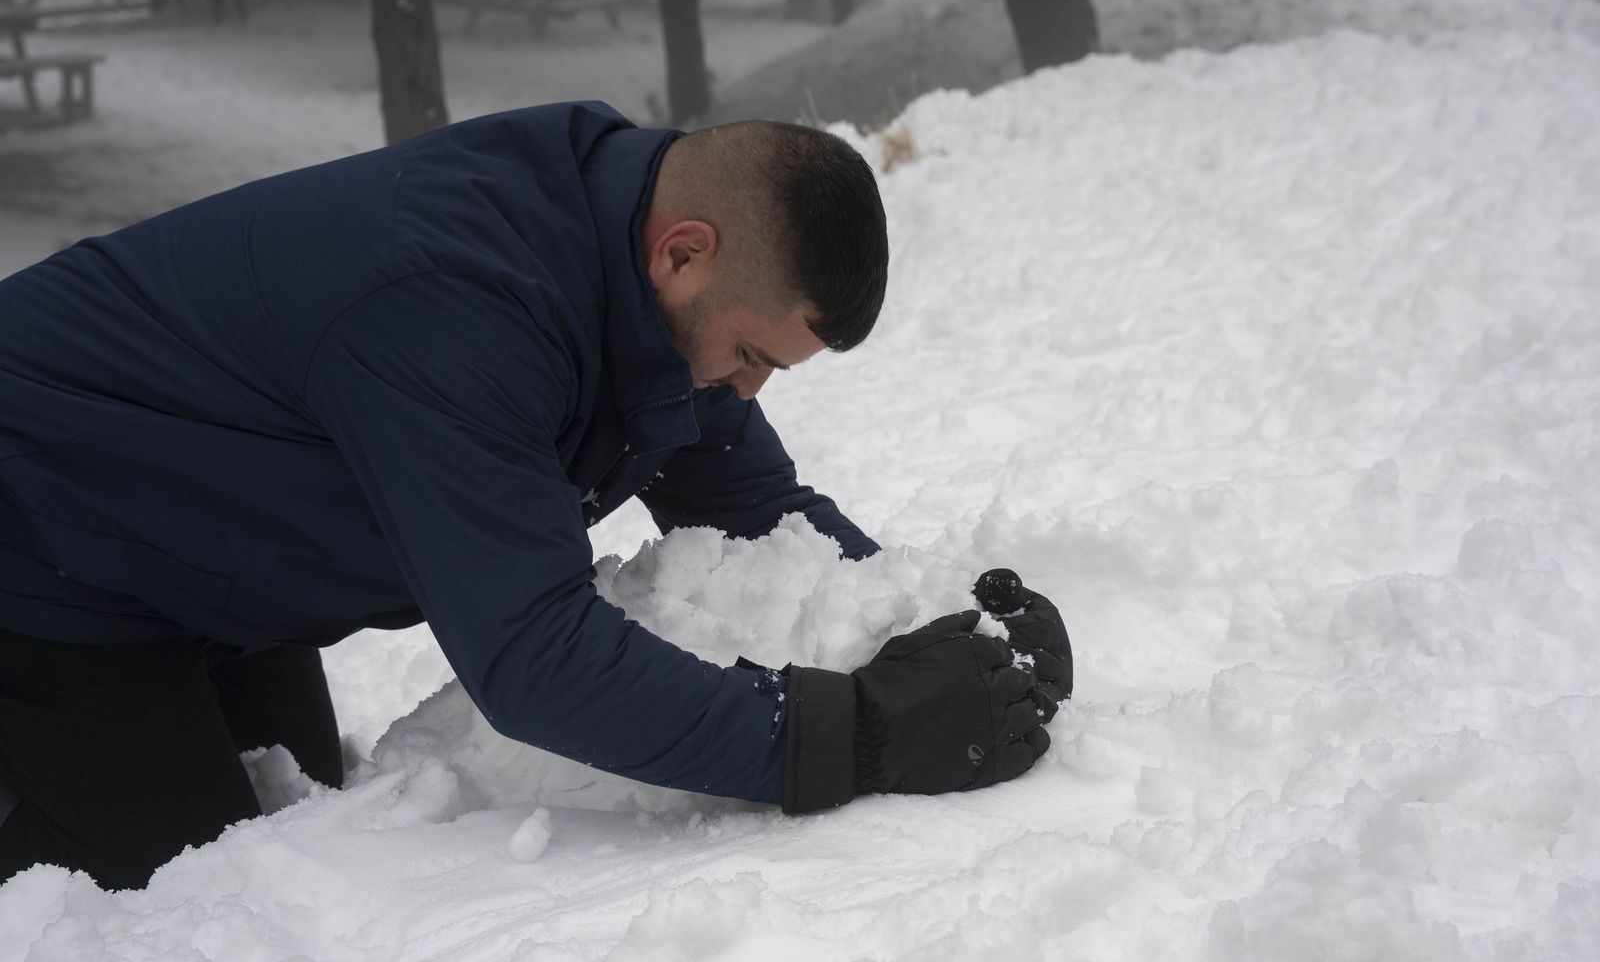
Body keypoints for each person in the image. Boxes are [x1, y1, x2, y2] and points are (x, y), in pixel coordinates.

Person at [0, 101, 1071, 890]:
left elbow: (751, 503)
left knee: (300, 831)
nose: (746, 392)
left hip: (214, 557)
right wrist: (867, 736)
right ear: (684, 253)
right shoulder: (453, 306)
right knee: (178, 898)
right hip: (47, 536)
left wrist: (939, 619)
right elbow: (535, 657)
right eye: (750, 353)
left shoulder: (629, 268)